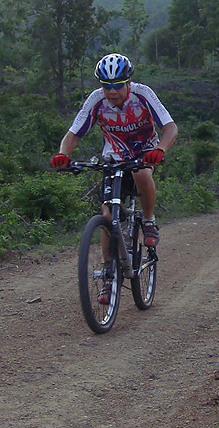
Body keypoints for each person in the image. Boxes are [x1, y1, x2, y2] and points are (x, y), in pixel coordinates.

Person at [51, 54, 177, 302]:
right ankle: (109, 277)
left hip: (144, 152)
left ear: (128, 82)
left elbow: (170, 127)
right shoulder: (96, 100)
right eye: (106, 86)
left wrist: (160, 149)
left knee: (141, 172)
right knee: (107, 215)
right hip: (114, 157)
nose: (112, 92)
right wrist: (63, 154)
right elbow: (74, 133)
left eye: (118, 85)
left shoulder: (143, 94)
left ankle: (148, 221)